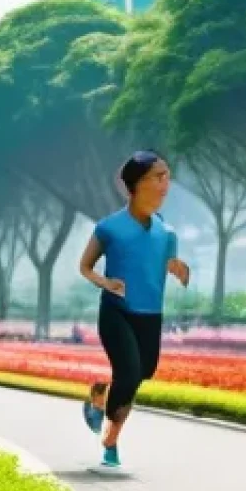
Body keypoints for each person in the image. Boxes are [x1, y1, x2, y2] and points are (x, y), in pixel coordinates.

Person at [79, 150, 190, 468]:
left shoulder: (167, 233)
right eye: (158, 176)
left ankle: (100, 396)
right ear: (137, 184)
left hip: (150, 315)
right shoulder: (109, 228)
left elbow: (167, 262)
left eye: (167, 176)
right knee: (128, 372)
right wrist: (106, 283)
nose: (165, 183)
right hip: (117, 312)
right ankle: (111, 443)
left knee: (143, 372)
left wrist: (178, 268)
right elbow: (85, 266)